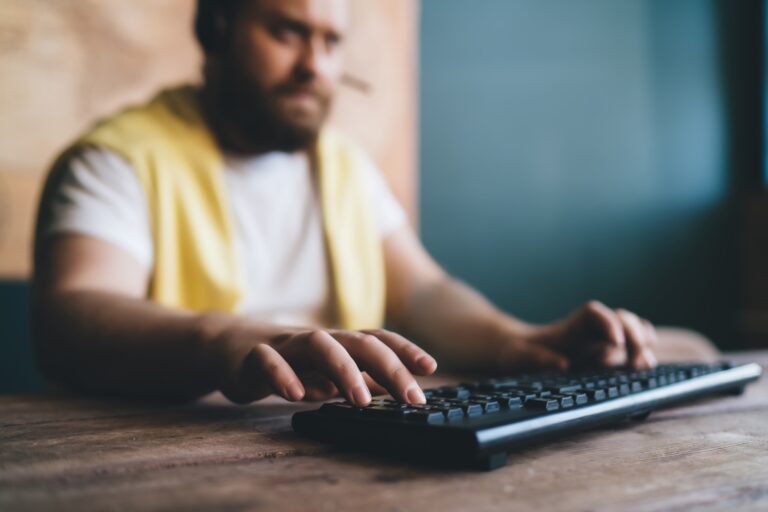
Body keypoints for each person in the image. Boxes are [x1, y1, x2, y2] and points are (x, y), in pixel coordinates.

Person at [32, 0, 658, 406]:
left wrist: (520, 342)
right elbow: (72, 318)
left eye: (332, 41)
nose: (317, 66)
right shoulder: (116, 160)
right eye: (288, 32)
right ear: (215, 27)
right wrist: (231, 340)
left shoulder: (345, 167)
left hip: (342, 457)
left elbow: (425, 293)